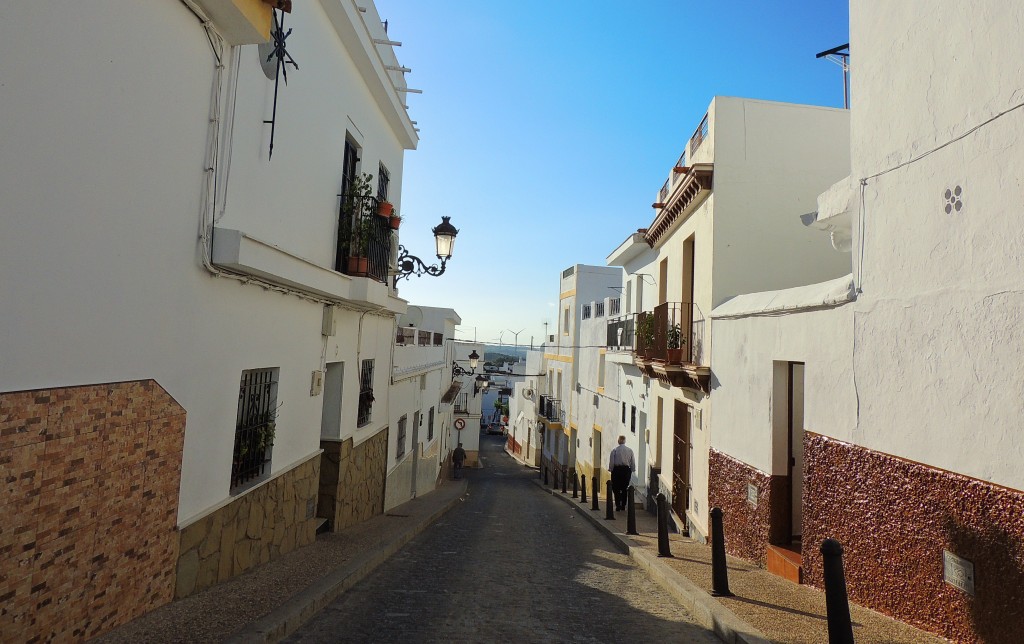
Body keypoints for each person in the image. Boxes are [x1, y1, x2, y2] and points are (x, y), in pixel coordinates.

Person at [608, 435, 635, 511]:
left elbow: (612, 462)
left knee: (616, 488)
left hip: (617, 470)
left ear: (618, 441)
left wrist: (611, 469)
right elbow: (632, 462)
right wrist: (632, 469)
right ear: (625, 441)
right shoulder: (630, 450)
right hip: (626, 470)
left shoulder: (615, 450)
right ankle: (623, 505)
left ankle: (617, 505)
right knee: (624, 488)